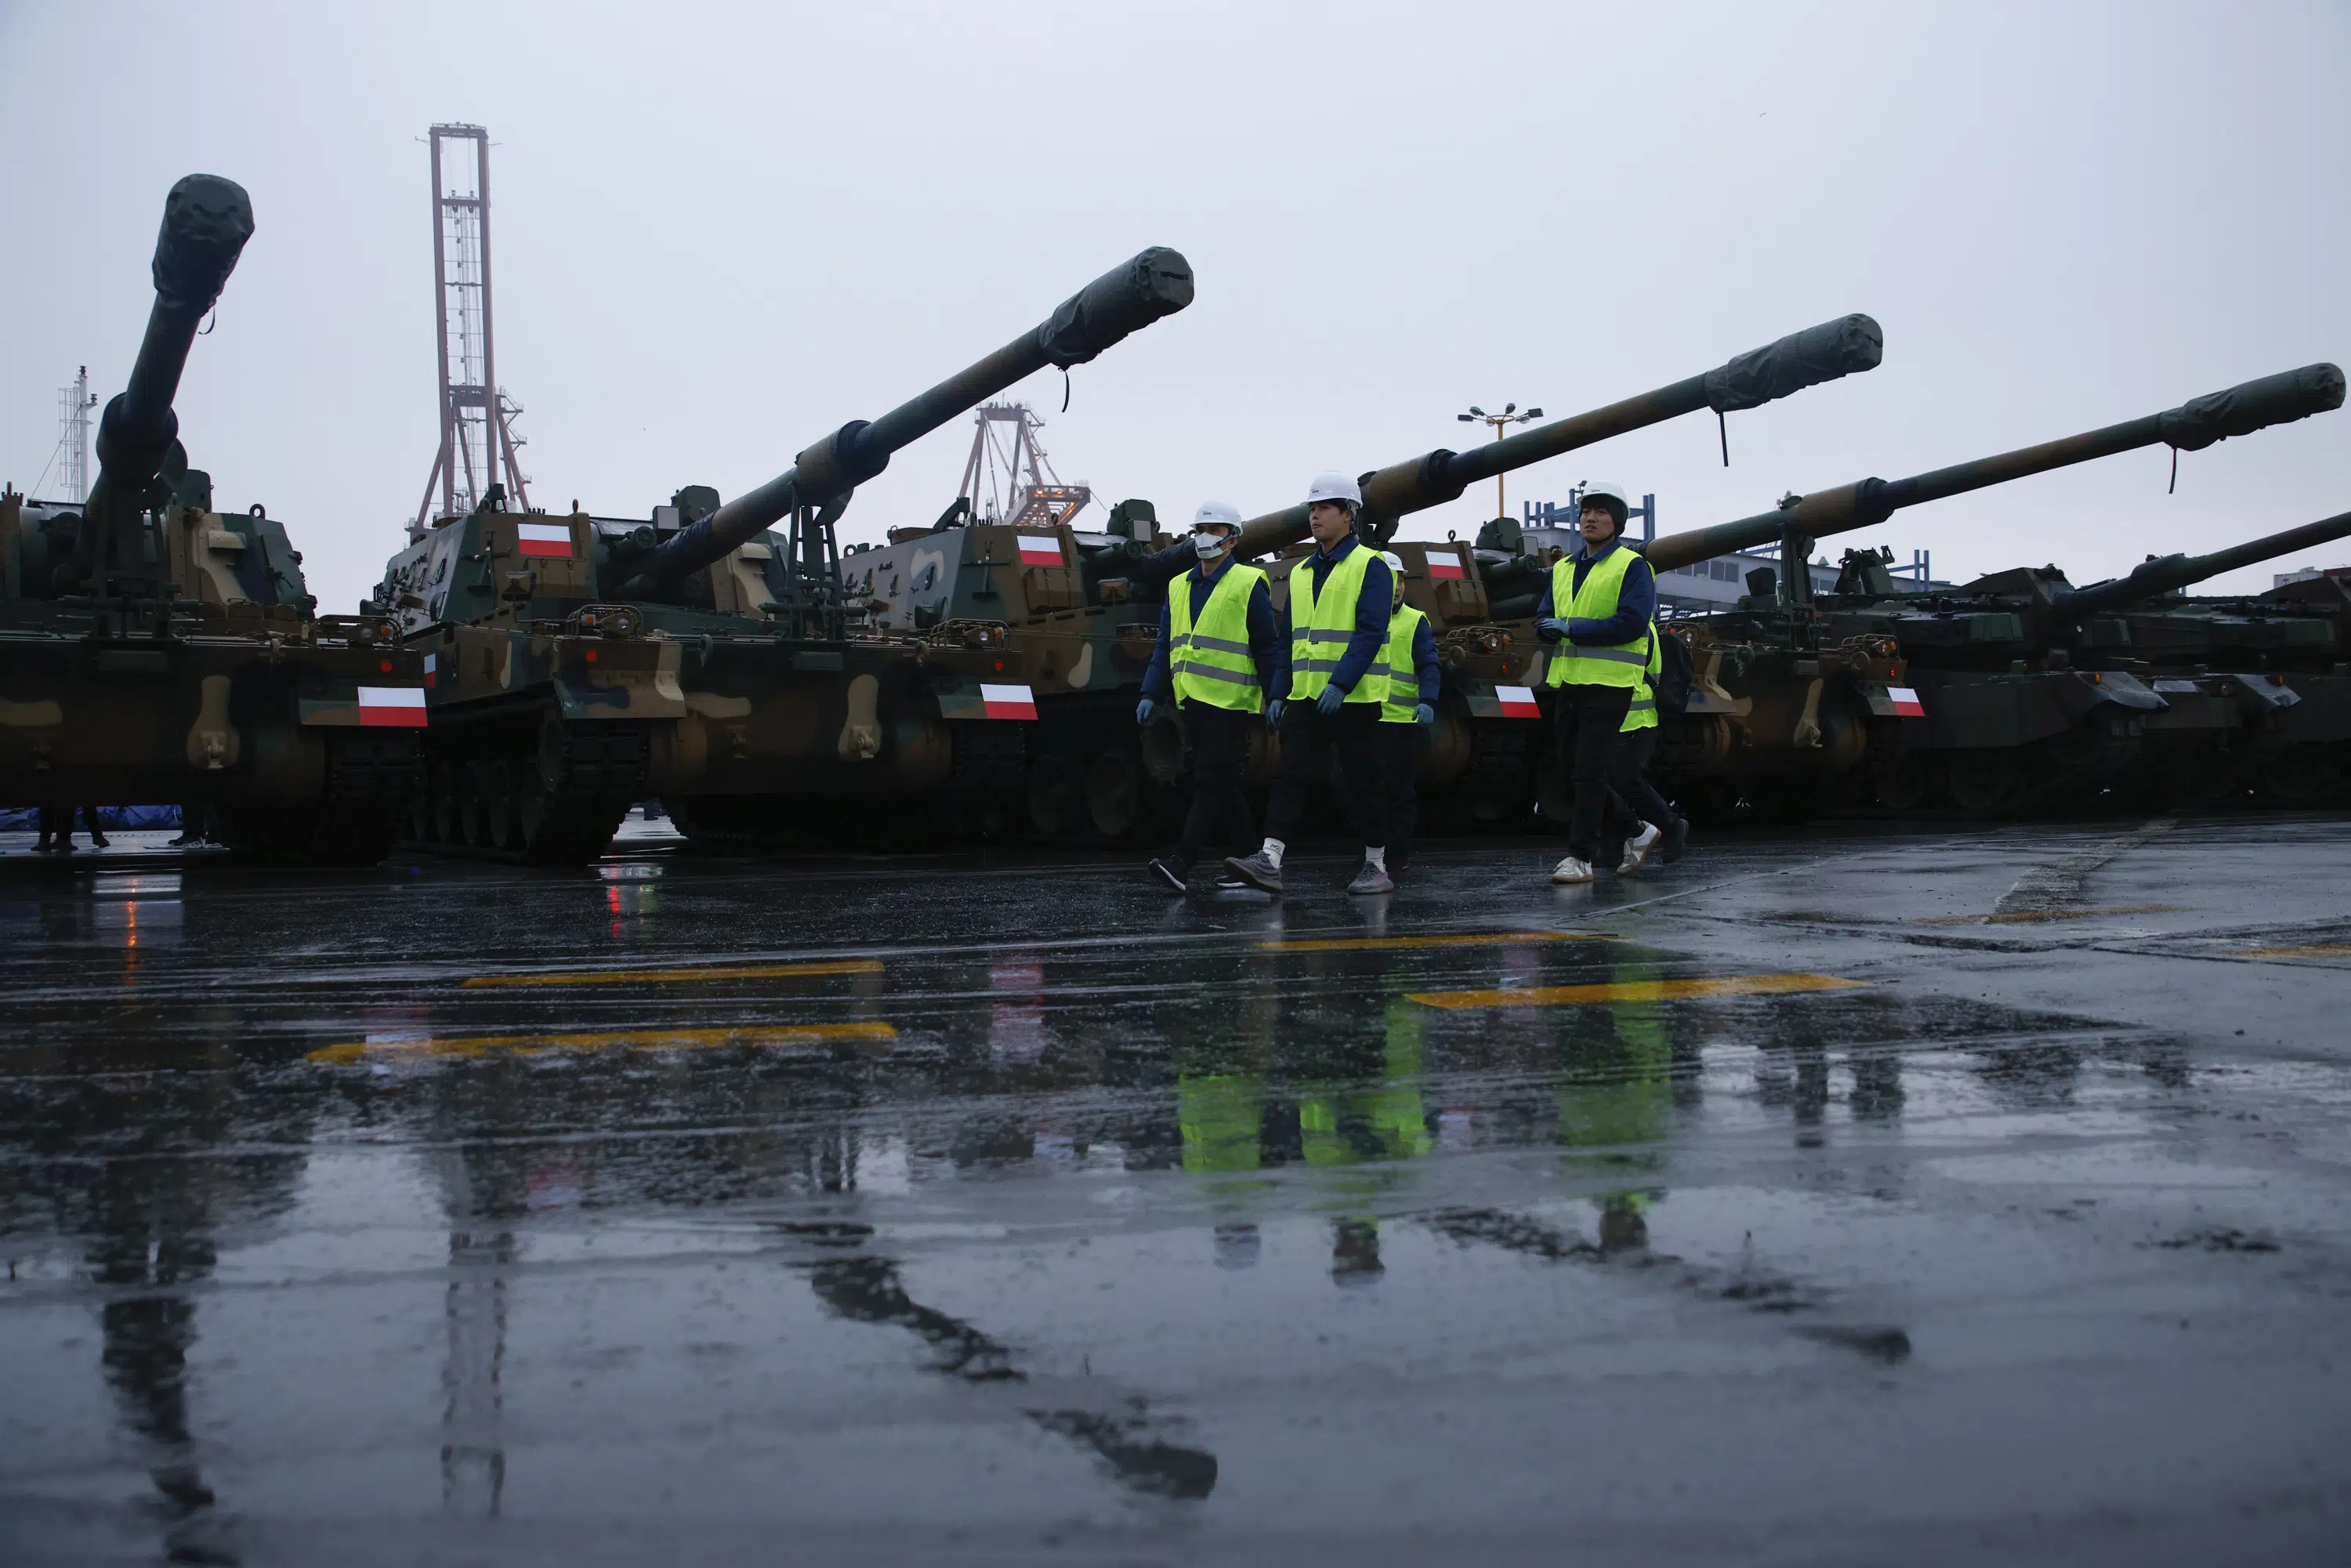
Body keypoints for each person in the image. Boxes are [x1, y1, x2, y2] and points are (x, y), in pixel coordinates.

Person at [1223, 473, 1396, 896]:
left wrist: (1340, 683)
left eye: (1324, 508)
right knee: (1290, 776)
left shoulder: (1371, 566)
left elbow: (1371, 632)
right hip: (1305, 696)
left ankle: (1376, 865)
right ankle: (1270, 858)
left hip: (1354, 699)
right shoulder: (1300, 573)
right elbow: (1289, 638)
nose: (1314, 515)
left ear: (1348, 515)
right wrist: (1279, 690)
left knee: (1362, 783)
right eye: (1312, 508)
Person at [1137, 501, 1283, 891]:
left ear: (1233, 539)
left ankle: (1182, 861)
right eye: (1199, 529)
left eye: (1215, 530)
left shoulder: (1248, 582)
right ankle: (1251, 859)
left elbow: (1267, 645)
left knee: (1207, 778)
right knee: (1223, 781)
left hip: (1230, 700)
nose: (1204, 537)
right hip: (1193, 701)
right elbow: (1164, 645)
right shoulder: (1177, 585)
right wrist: (1151, 691)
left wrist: (1275, 695)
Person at [1535, 480, 1657, 884]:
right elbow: (1545, 614)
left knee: (1588, 773)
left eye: (1601, 512)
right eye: (1586, 511)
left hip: (1609, 684)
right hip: (1571, 682)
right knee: (1573, 770)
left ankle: (1580, 858)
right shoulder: (1564, 568)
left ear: (1617, 522)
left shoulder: (1632, 566)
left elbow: (1632, 622)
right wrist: (1547, 628)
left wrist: (1570, 628)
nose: (1590, 517)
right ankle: (1638, 830)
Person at [1371, 550, 1441, 875]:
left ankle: (1394, 857)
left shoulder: (1415, 621)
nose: (1397, 587)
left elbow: (1429, 664)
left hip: (1401, 722)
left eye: (1400, 579)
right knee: (1363, 791)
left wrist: (1427, 700)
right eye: (1390, 579)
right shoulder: (1360, 617)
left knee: (1398, 794)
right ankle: (1372, 855)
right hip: (1366, 719)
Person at [1609, 620, 1690, 874]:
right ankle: (1616, 842)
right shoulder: (1637, 623)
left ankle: (1671, 825)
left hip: (1635, 718)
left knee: (1625, 781)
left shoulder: (1636, 625)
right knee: (1610, 780)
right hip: (1621, 717)